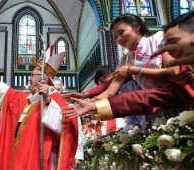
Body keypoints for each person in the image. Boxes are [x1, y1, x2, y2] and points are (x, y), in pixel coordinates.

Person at [0, 51, 78, 170]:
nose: (29, 78)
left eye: (33, 75)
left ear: (43, 78)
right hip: (24, 160)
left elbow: (66, 125)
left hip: (44, 159)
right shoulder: (30, 99)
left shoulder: (54, 98)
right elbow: (11, 97)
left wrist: (49, 101)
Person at [63, 11, 194, 120]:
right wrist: (87, 103)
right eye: (115, 37)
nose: (119, 39)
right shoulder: (125, 60)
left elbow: (173, 74)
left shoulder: (158, 40)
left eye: (121, 32)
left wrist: (134, 70)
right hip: (151, 105)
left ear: (137, 26)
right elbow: (109, 90)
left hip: (174, 100)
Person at [54, 78, 85, 170]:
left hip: (69, 154)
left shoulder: (70, 108)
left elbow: (78, 132)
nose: (56, 91)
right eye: (54, 88)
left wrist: (78, 155)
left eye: (59, 88)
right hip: (51, 156)